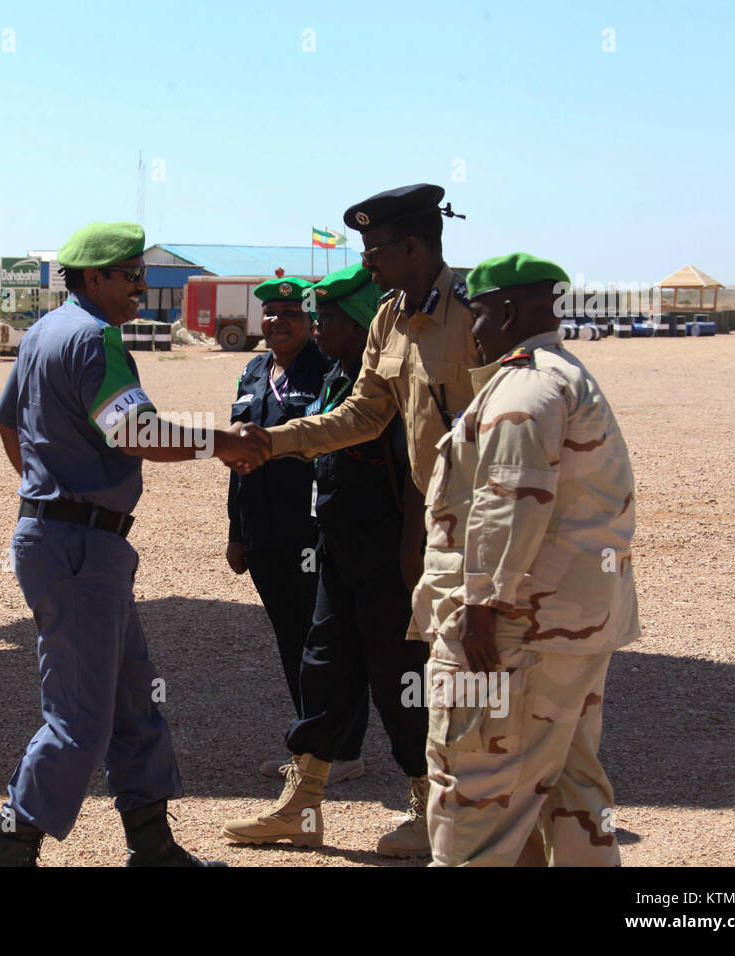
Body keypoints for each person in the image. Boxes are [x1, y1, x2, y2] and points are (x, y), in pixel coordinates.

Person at [0, 221, 266, 866]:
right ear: (93, 278)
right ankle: (10, 848)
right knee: (79, 717)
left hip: (70, 539)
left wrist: (47, 489)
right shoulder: (94, 338)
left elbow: (7, 423)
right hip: (81, 544)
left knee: (131, 695)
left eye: (139, 272)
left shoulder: (43, 334)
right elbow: (134, 430)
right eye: (129, 274)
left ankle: (152, 845)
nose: (141, 285)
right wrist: (221, 443)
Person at [246, 183, 476, 856]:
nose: (369, 263)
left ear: (415, 245)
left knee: (425, 669)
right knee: (326, 661)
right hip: (396, 527)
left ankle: (442, 811)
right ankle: (303, 800)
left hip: (453, 528)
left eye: (377, 250)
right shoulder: (389, 319)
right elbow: (366, 413)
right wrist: (276, 441)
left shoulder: (473, 316)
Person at [415, 252, 639, 866]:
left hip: (518, 628)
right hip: (567, 626)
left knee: (476, 794)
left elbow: (510, 502)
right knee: (569, 792)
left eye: (479, 314)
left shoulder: (526, 388)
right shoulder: (564, 375)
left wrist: (482, 607)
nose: (475, 329)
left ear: (508, 310)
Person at [222, 263, 428, 848]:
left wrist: (413, 553)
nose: (319, 323)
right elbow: (330, 431)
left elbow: (415, 475)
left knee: (398, 677)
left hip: (388, 556)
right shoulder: (345, 375)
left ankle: (431, 807)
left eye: (329, 315)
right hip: (340, 549)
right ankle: (302, 805)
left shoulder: (394, 381)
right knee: (323, 667)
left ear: (360, 322)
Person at [226, 277, 357, 779]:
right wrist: (237, 532)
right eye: (271, 312)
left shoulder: (329, 370)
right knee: (289, 637)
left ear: (312, 322)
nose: (278, 321)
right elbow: (238, 455)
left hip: (312, 530)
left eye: (291, 313)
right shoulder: (254, 370)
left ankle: (341, 752)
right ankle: (312, 744)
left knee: (324, 639)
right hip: (263, 530)